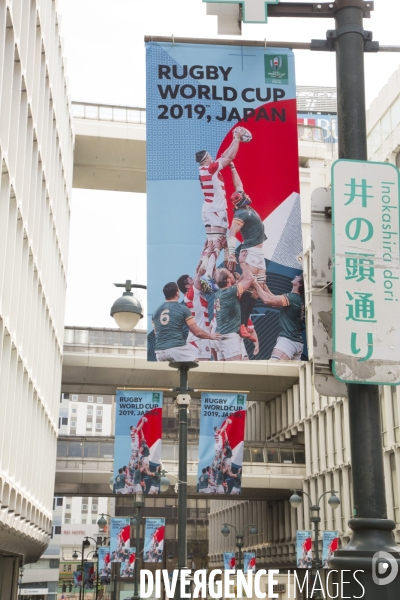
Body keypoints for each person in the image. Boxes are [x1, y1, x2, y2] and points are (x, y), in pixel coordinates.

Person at [195, 126, 247, 292]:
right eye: (210, 157)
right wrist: (238, 138)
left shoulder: (204, 169)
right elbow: (229, 156)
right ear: (205, 160)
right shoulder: (211, 168)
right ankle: (208, 277)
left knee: (210, 246)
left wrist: (233, 139)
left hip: (207, 210)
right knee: (217, 245)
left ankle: (204, 272)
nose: (212, 158)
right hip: (217, 211)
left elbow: (225, 156)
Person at [226, 162, 267, 341]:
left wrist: (233, 167)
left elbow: (238, 184)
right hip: (249, 253)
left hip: (259, 255)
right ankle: (239, 324)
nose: (247, 195)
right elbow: (231, 233)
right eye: (244, 196)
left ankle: (244, 325)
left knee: (256, 292)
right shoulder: (240, 215)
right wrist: (231, 253)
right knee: (246, 288)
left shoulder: (245, 206)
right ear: (241, 202)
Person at [152, 282, 221, 361]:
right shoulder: (183, 309)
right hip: (176, 348)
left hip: (159, 352)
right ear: (177, 293)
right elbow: (197, 332)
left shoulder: (155, 312)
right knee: (197, 366)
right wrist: (210, 336)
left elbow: (156, 333)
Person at [253, 274, 305, 360]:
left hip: (288, 342)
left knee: (272, 369)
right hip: (295, 342)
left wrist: (255, 284)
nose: (296, 276)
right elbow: (274, 300)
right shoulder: (296, 299)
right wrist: (264, 286)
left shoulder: (293, 298)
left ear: (300, 284)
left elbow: (268, 300)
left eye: (299, 277)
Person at [213, 263, 254, 361]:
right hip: (229, 337)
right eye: (230, 274)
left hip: (220, 335)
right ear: (228, 280)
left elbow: (236, 285)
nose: (233, 274)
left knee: (225, 372)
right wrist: (243, 262)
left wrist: (238, 279)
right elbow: (250, 279)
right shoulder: (230, 292)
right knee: (236, 369)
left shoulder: (219, 292)